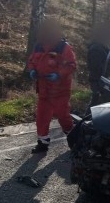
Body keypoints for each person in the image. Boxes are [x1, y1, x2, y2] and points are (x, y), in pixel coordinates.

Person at [27, 18, 77, 153]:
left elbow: (71, 65)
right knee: (42, 117)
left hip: (60, 90)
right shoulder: (38, 45)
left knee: (63, 116)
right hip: (44, 89)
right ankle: (42, 143)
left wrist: (59, 75)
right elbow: (32, 61)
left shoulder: (63, 47)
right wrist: (32, 70)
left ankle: (74, 139)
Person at [86, 24, 110, 107]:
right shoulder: (96, 49)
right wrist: (104, 77)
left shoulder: (102, 48)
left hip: (102, 80)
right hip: (98, 81)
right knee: (96, 102)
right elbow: (96, 67)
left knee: (97, 102)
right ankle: (87, 118)